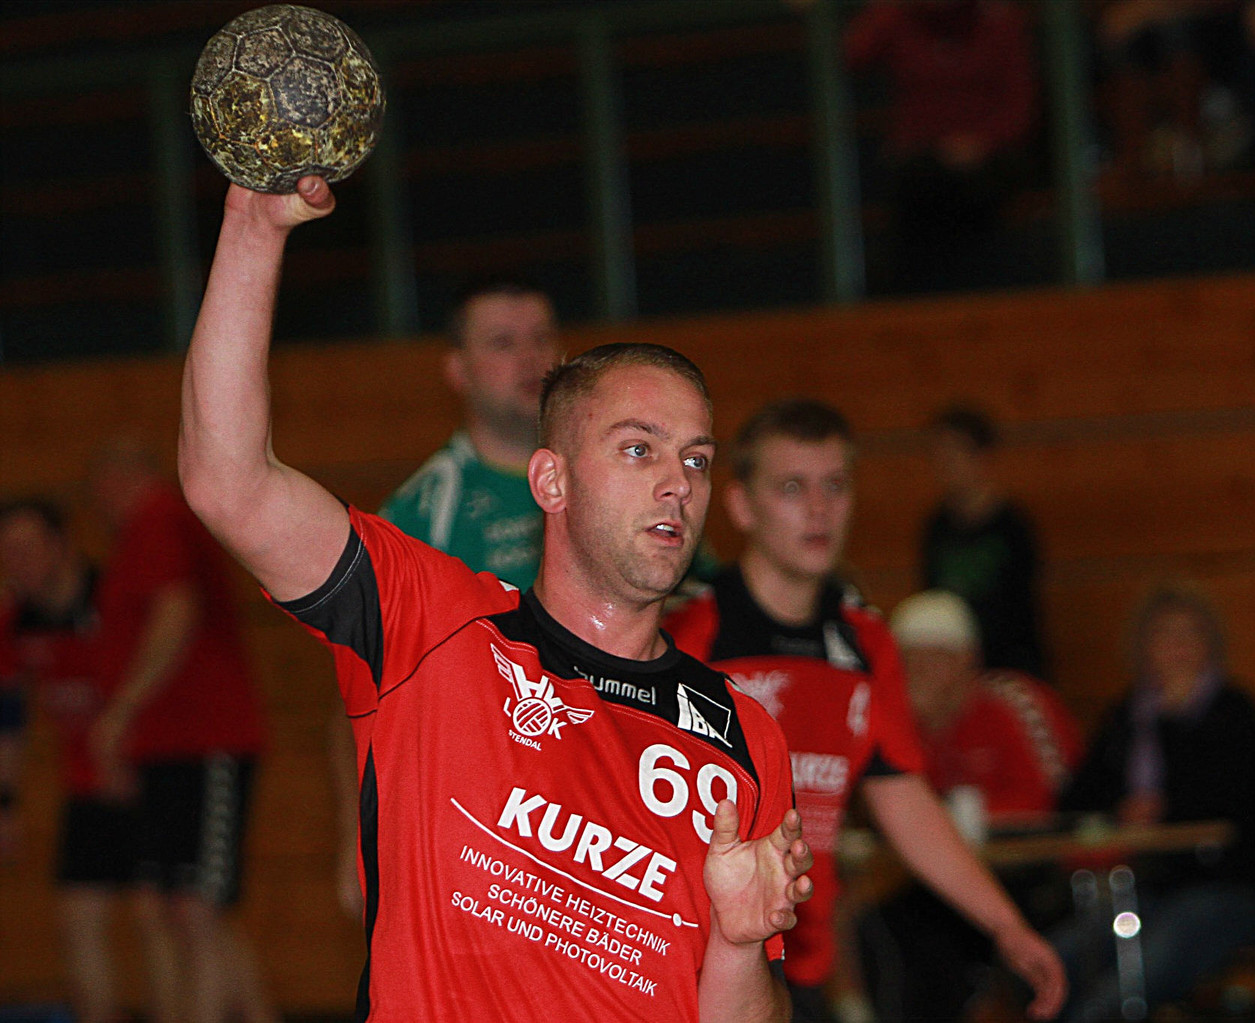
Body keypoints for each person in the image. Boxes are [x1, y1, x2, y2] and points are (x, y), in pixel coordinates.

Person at [177, 174, 813, 1022]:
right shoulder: (430, 623)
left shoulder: (742, 736)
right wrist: (254, 230)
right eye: (638, 449)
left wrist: (737, 940)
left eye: (695, 459)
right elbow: (228, 482)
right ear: (550, 481)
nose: (677, 483)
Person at [664, 398, 1067, 1023]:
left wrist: (1005, 924)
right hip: (690, 963)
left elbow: (902, 797)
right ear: (742, 506)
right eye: (792, 487)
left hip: (800, 962)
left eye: (835, 485)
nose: (818, 508)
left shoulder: (865, 640)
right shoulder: (688, 630)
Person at [87, 440, 275, 1023]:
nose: (98, 506)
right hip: (170, 745)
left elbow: (176, 612)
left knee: (197, 908)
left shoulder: (158, 518)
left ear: (119, 478)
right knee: (173, 907)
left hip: (204, 740)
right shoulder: (144, 532)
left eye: (99, 491)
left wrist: (120, 712)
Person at [854, 589, 1083, 1023]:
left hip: (1039, 872)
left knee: (948, 939)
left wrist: (966, 816)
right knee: (881, 930)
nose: (920, 672)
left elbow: (1057, 800)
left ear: (967, 661)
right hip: (959, 877)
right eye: (909, 661)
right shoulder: (901, 718)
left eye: (933, 659)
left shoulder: (1011, 703)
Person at [0, 499, 180, 1023]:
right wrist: (5, 804)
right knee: (78, 918)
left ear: (61, 544)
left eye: (27, 548)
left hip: (151, 775)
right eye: (7, 553)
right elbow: (9, 717)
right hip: (86, 785)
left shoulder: (114, 600)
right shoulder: (17, 622)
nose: (17, 563)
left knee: (162, 916)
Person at [1051, 582, 1255, 1021]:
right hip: (1148, 886)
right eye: (1165, 635)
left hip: (1223, 887)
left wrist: (1173, 726)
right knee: (1059, 959)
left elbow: (1229, 802)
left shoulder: (1234, 714)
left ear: (1210, 645)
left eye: (1190, 634)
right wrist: (1120, 810)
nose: (1178, 648)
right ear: (1143, 648)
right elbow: (1077, 797)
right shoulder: (1129, 715)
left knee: (1123, 989)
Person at [379, 278, 558, 591]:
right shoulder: (420, 516)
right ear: (458, 370)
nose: (530, 358)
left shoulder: (602, 473)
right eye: (503, 342)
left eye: (541, 339)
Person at [920, 402, 1047, 678]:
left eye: (954, 453)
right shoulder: (937, 527)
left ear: (980, 456)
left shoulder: (1012, 527)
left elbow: (1021, 610)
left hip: (1008, 665)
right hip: (953, 668)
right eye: (940, 455)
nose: (946, 464)